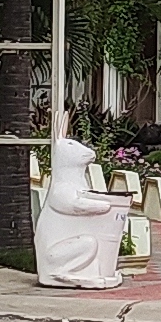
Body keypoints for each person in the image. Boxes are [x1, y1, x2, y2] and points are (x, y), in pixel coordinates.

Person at [34, 121, 130, 291]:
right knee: (87, 243)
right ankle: (60, 273)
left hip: (66, 246)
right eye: (73, 147)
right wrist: (103, 206)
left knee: (89, 243)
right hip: (54, 254)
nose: (87, 152)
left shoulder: (76, 182)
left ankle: (89, 272)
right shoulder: (60, 187)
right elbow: (74, 204)